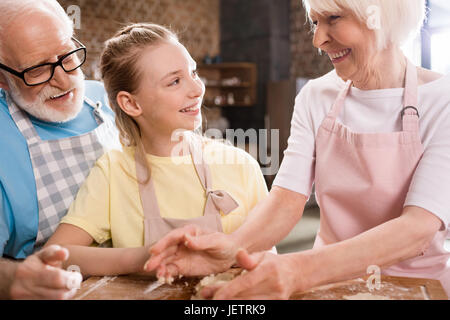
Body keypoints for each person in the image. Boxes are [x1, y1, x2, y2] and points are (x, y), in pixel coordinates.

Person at [144, 0, 450, 299]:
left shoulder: (443, 101)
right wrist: (231, 248)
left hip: (418, 287)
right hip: (330, 284)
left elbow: (417, 229)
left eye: (333, 18)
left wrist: (298, 271)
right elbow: (286, 199)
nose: (318, 39)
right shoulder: (315, 97)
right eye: (316, 22)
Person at [44, 23, 270, 278]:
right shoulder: (114, 172)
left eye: (193, 73)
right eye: (174, 81)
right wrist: (145, 256)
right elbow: (55, 255)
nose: (197, 89)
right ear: (131, 103)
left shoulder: (240, 165)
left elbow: (267, 259)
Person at [0, 0, 119, 299]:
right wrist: (12, 279)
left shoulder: (109, 99)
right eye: (38, 69)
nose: (64, 80)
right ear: (1, 78)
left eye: (67, 56)